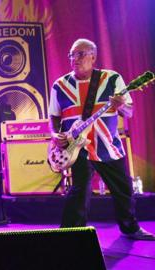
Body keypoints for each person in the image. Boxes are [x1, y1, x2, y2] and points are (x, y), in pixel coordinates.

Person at [48, 38, 154, 240]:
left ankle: (130, 228)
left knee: (123, 189)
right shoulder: (60, 85)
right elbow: (54, 116)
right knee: (79, 191)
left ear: (93, 57)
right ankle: (71, 233)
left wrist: (121, 105)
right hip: (77, 147)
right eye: (72, 54)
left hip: (107, 145)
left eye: (80, 54)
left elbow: (129, 112)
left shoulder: (112, 79)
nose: (74, 59)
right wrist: (54, 135)